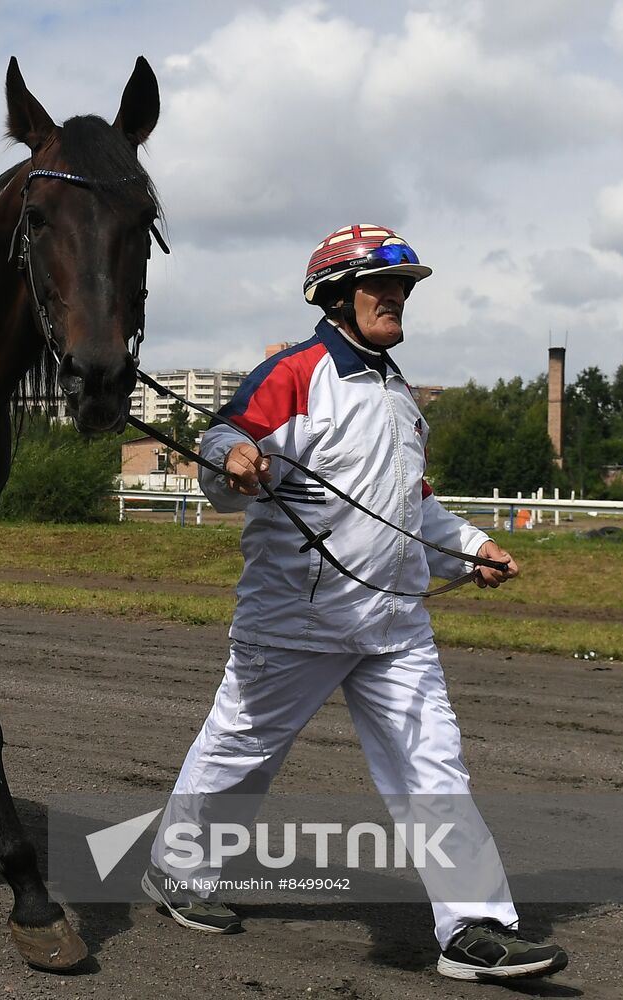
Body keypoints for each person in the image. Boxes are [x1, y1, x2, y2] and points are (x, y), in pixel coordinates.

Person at [141, 224, 568, 983]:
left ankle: (474, 929)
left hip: (396, 622)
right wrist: (230, 459)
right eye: (381, 283)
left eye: (403, 285)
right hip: (293, 621)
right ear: (336, 295)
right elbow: (221, 444)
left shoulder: (400, 396)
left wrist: (471, 551)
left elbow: (411, 509)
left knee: (433, 767)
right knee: (238, 758)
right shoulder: (294, 372)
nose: (397, 296)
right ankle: (179, 871)